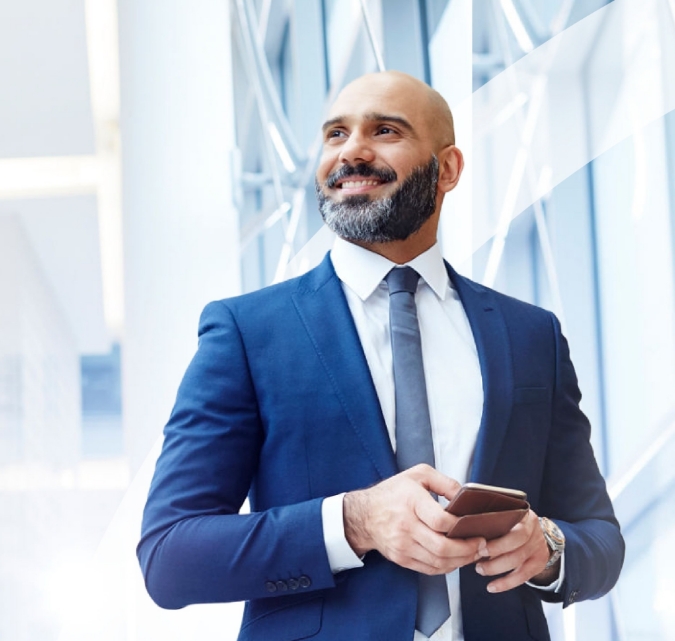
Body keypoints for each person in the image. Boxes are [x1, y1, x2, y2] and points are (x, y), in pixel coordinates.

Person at [137, 71, 624, 641]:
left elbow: (600, 538)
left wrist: (547, 549)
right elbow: (170, 557)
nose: (352, 152)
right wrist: (354, 522)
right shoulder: (247, 333)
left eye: (385, 130)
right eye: (335, 135)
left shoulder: (530, 334)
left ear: (447, 169)